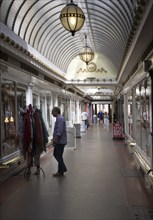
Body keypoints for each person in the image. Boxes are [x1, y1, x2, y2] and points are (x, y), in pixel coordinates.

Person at [51, 107, 67, 177]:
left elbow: (59, 131)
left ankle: (63, 168)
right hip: (60, 141)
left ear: (56, 112)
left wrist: (56, 140)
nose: (51, 113)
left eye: (52, 112)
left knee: (57, 155)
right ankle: (60, 171)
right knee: (59, 155)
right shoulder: (59, 119)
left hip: (60, 141)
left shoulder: (60, 119)